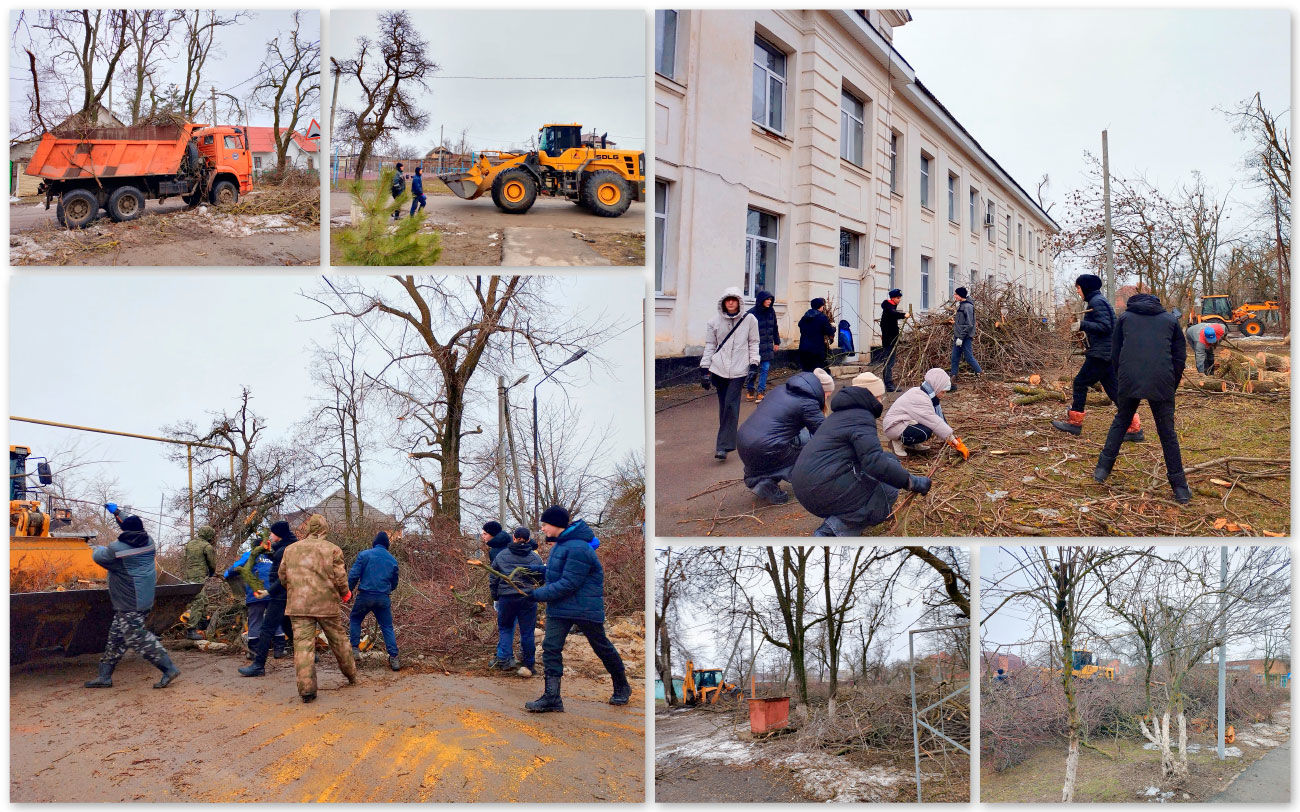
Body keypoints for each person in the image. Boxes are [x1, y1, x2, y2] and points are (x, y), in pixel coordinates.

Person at [790, 372, 931, 536]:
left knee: (891, 461)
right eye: (880, 397)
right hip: (819, 488)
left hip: (807, 484)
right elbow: (874, 462)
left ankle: (848, 515)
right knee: (887, 491)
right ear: (872, 396)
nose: (881, 401)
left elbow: (871, 457)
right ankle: (832, 532)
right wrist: (911, 482)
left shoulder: (841, 415)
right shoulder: (861, 417)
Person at [522, 506, 630, 713]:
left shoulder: (579, 548)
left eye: (545, 524)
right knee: (551, 649)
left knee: (602, 647)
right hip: (560, 608)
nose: (542, 528)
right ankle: (552, 697)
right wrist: (530, 572)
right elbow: (554, 573)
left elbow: (569, 582)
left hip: (584, 608)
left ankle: (622, 685)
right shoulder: (561, 546)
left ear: (556, 524)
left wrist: (535, 595)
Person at [1092, 293, 1192, 504]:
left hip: (1130, 379)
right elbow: (1180, 356)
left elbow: (1115, 352)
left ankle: (1102, 469)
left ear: (1133, 303)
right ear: (1157, 303)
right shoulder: (1169, 320)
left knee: (1121, 422)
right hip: (1161, 379)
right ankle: (1180, 487)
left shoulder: (1125, 319)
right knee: (1167, 432)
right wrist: (1170, 382)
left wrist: (1122, 377)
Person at [84, 512, 181, 689]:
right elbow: (131, 525)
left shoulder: (117, 550)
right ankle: (104, 676)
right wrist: (117, 513)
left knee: (137, 637)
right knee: (116, 637)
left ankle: (169, 669)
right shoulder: (149, 542)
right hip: (142, 599)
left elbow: (98, 557)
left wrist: (94, 547)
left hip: (131, 602)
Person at [1051, 274, 1143, 442]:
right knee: (1114, 391)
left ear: (1086, 287)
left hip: (1101, 354)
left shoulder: (1097, 302)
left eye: (1078, 288)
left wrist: (1082, 325)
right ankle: (1134, 427)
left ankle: (1074, 424)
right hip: (1108, 353)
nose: (1078, 292)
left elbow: (1105, 326)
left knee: (1080, 383)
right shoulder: (1100, 301)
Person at [278, 514, 357, 703]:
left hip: (298, 605)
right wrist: (345, 593)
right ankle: (351, 675)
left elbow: (282, 576)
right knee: (338, 640)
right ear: (324, 529)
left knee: (303, 646)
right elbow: (340, 577)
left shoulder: (290, 549)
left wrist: (295, 590)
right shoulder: (332, 550)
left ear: (308, 530)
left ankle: (307, 691)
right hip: (326, 604)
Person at [736, 368, 833, 504]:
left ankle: (761, 480)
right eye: (828, 393)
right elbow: (825, 434)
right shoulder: (808, 403)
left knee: (795, 440)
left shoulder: (780, 390)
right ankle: (814, 486)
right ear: (821, 390)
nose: (828, 396)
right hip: (766, 447)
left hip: (743, 441)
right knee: (809, 451)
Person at [700, 287, 760, 460]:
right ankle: (726, 441)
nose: (731, 303)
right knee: (724, 406)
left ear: (739, 302)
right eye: (728, 300)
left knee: (731, 405)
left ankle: (723, 446)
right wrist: (705, 370)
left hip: (739, 370)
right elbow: (710, 346)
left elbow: (754, 343)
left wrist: (754, 364)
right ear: (723, 303)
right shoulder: (714, 322)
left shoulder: (750, 320)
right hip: (718, 369)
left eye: (734, 300)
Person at [238, 520, 298, 678]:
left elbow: (285, 577)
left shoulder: (287, 550)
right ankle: (311, 654)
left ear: (278, 535)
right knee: (287, 626)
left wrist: (268, 592)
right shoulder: (287, 547)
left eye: (272, 533)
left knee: (266, 628)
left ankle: (258, 665)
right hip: (284, 592)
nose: (270, 535)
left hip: (279, 593)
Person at [490, 527, 546, 677]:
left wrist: (495, 597)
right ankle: (529, 663)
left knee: (506, 628)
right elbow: (540, 579)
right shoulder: (535, 558)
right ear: (528, 540)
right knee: (527, 632)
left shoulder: (502, 556)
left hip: (506, 598)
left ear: (513, 538)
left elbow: (493, 578)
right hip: (527, 597)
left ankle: (505, 660)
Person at [882, 368, 970, 460]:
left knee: (927, 427)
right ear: (936, 387)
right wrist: (956, 443)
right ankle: (897, 443)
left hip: (905, 422)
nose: (943, 395)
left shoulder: (925, 394)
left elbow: (938, 419)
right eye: (942, 392)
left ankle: (912, 444)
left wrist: (952, 438)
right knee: (925, 432)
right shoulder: (921, 399)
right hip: (894, 426)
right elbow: (935, 422)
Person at [224, 537, 288, 659]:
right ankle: (279, 650)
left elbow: (235, 568)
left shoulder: (250, 555)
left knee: (255, 621)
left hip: (256, 594)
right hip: (273, 593)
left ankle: (253, 652)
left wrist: (226, 574)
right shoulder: (273, 556)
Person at [348, 531, 402, 672]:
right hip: (383, 597)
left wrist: (348, 591)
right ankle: (394, 658)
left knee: (355, 619)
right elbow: (395, 582)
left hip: (365, 596)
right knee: (387, 627)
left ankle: (354, 649)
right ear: (387, 545)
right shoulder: (392, 560)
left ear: (375, 543)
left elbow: (353, 575)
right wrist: (387, 589)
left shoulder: (364, 555)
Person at [744, 290, 781, 403]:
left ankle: (761, 391)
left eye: (771, 299)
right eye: (767, 299)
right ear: (761, 300)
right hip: (754, 347)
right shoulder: (751, 313)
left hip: (768, 345)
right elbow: (745, 331)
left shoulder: (771, 312)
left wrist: (777, 342)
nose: (769, 301)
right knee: (753, 370)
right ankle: (750, 390)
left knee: (765, 369)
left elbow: (775, 327)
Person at [182, 524, 218, 640]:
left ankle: (203, 623)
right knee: (199, 601)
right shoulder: (207, 546)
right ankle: (191, 630)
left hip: (188, 576)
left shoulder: (189, 544)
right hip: (199, 577)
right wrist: (212, 572)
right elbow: (212, 563)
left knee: (203, 599)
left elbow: (185, 559)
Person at [949, 287, 982, 388]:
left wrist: (961, 337)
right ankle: (952, 379)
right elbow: (963, 321)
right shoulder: (961, 305)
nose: (954, 296)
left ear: (960, 295)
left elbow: (970, 324)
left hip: (965, 337)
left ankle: (981, 374)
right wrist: (955, 323)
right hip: (958, 336)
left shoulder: (967, 306)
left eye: (955, 294)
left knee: (968, 357)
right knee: (954, 357)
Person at [797, 297, 834, 372]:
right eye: (823, 306)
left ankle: (807, 383)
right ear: (821, 306)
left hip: (804, 348)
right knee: (820, 371)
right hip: (817, 350)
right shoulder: (822, 317)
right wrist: (833, 328)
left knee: (807, 371)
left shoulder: (804, 317)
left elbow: (800, 325)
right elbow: (828, 330)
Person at [879, 289, 906, 392]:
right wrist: (904, 315)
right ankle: (889, 385)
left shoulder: (890, 307)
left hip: (892, 339)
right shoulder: (889, 308)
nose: (899, 300)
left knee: (890, 361)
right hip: (889, 340)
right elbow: (894, 314)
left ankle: (888, 383)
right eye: (898, 298)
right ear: (893, 298)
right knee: (889, 362)